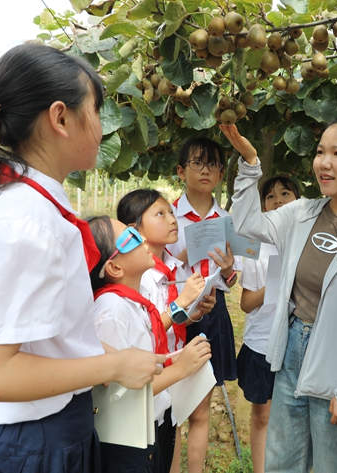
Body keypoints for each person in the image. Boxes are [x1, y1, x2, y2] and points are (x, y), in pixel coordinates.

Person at [0, 44, 164, 472]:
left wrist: (100, 352)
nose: (102, 126)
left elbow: (40, 336)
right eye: (95, 109)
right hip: (28, 448)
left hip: (40, 435)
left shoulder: (26, 206)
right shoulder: (25, 221)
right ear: (60, 118)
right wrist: (114, 364)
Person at [223, 118, 337, 473]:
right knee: (281, 464)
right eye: (321, 151)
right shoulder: (302, 213)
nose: (324, 162)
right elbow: (247, 225)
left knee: (332, 467)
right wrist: (249, 164)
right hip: (291, 350)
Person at [86, 216, 212, 473]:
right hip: (126, 439)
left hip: (146, 428)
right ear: (115, 268)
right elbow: (121, 389)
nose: (142, 239)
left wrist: (170, 360)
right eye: (130, 238)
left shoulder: (132, 303)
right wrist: (179, 370)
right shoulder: (111, 311)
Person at [117, 189, 216, 473]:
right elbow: (144, 331)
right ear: (135, 231)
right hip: (152, 376)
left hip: (168, 371)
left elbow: (167, 322)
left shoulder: (169, 265)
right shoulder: (142, 274)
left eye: (171, 212)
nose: (172, 219)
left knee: (170, 431)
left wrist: (191, 312)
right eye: (160, 214)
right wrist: (181, 303)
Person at [166, 137, 241, 473]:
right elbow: (158, 269)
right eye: (197, 162)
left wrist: (227, 269)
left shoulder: (225, 218)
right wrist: (185, 253)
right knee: (169, 407)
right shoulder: (167, 215)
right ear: (182, 171)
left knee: (199, 408)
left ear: (222, 173)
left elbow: (233, 277)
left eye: (212, 164)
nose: (205, 170)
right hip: (176, 313)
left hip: (213, 312)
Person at [237, 175, 301, 473]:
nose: (277, 201)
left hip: (298, 342)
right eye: (271, 196)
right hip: (261, 343)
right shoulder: (256, 247)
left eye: (285, 193)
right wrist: (275, 285)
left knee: (292, 415)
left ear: (298, 201)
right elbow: (246, 304)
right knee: (262, 415)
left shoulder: (308, 244)